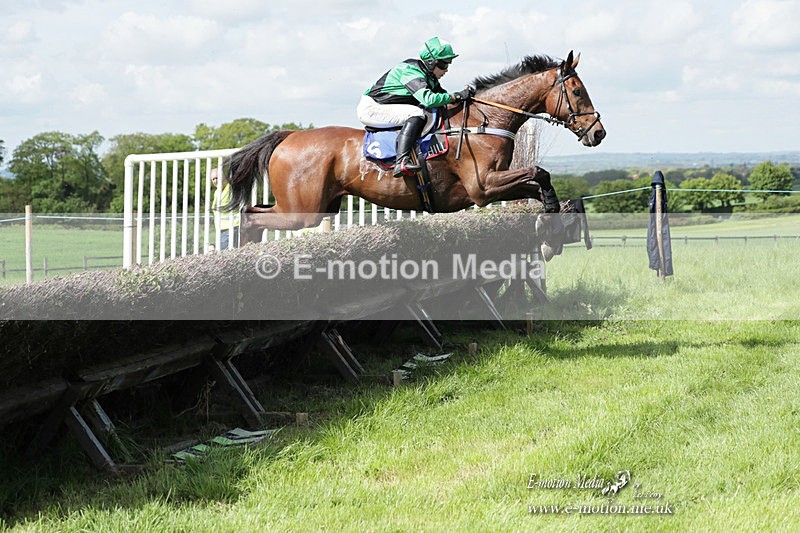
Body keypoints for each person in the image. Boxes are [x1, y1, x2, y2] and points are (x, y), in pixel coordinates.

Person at [357, 36, 474, 177]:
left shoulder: (429, 77)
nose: (446, 70)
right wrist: (457, 96)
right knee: (416, 113)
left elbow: (444, 97)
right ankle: (401, 161)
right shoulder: (410, 71)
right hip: (372, 108)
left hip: (383, 106)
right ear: (431, 62)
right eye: (444, 64)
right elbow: (429, 99)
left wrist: (465, 96)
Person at [210, 167, 240, 250]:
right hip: (222, 229)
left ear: (223, 177)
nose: (215, 181)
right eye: (213, 179)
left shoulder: (230, 188)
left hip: (232, 227)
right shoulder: (217, 192)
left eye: (217, 178)